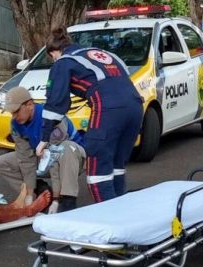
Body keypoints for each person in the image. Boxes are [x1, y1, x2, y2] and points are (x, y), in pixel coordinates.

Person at [39, 27, 143, 202]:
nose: (54, 60)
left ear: (54, 52)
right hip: (135, 107)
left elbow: (56, 103)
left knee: (98, 172)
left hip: (108, 108)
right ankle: (124, 217)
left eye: (52, 57)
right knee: (116, 165)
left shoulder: (63, 62)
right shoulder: (103, 54)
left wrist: (44, 138)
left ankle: (109, 222)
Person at [0, 86, 85, 213]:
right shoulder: (16, 124)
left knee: (66, 148)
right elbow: (25, 159)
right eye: (12, 113)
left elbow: (55, 157)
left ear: (30, 105)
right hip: (44, 157)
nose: (14, 116)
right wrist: (29, 194)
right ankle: (41, 193)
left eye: (16, 111)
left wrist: (56, 199)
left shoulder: (51, 117)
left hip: (72, 160)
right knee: (0, 163)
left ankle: (67, 199)